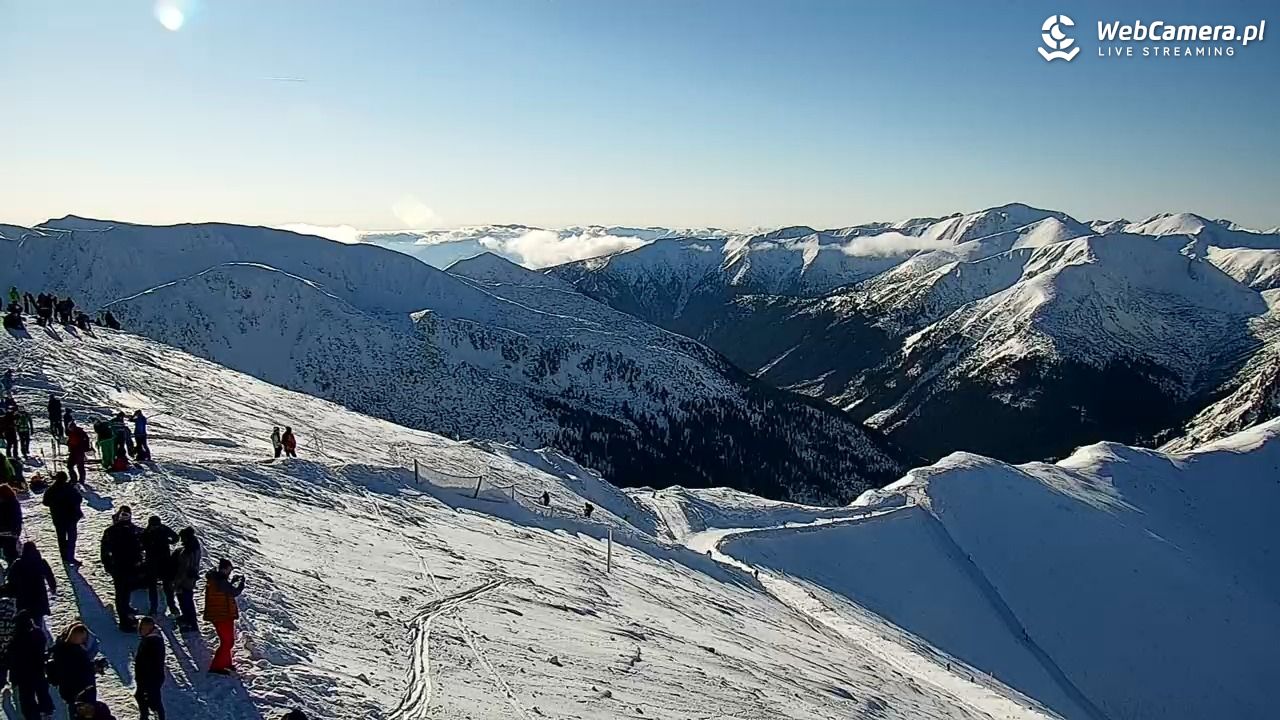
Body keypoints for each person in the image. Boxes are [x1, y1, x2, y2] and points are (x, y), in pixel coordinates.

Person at [100, 506, 145, 630]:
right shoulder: (113, 531)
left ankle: (126, 609)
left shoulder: (131, 530)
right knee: (121, 593)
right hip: (120, 567)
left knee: (126, 591)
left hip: (130, 567)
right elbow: (105, 550)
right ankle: (124, 621)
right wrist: (108, 565)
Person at [7, 611, 55, 719]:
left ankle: (33, 716)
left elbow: (11, 656)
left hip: (22, 674)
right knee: (42, 692)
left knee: (27, 698)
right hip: (38, 669)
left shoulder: (16, 637)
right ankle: (46, 712)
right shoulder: (38, 633)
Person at [49, 622, 103, 714]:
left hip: (73, 691)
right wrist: (93, 667)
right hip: (78, 691)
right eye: (82, 638)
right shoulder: (73, 652)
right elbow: (77, 671)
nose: (84, 640)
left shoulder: (63, 648)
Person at [204, 558, 245, 674]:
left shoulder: (217, 579)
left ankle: (226, 663)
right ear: (225, 569)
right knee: (227, 642)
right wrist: (241, 584)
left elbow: (225, 590)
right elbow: (233, 592)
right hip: (222, 615)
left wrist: (232, 582)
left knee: (228, 641)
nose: (230, 572)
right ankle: (216, 666)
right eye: (230, 569)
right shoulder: (220, 581)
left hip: (221, 614)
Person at [43, 471, 84, 566]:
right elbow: (79, 499)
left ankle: (64, 556)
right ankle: (70, 556)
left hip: (58, 518)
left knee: (61, 538)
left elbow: (45, 502)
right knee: (71, 538)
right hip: (71, 518)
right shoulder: (70, 488)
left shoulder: (51, 490)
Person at [7, 542, 56, 619]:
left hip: (23, 596)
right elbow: (50, 576)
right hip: (39, 595)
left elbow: (11, 579)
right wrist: (53, 587)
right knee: (38, 618)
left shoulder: (18, 563)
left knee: (24, 618)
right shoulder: (41, 562)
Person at [141, 516, 178, 617]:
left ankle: (154, 609)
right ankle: (172, 607)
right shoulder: (163, 529)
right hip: (164, 562)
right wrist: (167, 542)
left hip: (153, 562)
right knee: (167, 587)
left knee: (154, 587)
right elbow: (175, 538)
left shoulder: (147, 532)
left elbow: (141, 545)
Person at [133, 616, 166, 720]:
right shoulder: (149, 639)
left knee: (153, 700)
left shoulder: (153, 641)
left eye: (143, 628)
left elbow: (150, 662)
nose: (141, 630)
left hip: (151, 677)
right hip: (146, 676)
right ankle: (145, 716)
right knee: (141, 696)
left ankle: (154, 717)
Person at [170, 528, 201, 632]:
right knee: (189, 601)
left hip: (184, 581)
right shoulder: (196, 547)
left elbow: (182, 571)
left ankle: (190, 623)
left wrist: (176, 584)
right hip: (191, 579)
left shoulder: (186, 552)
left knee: (184, 602)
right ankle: (190, 620)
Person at [0, 485, 22, 562]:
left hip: (8, 533)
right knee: (10, 553)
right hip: (11, 532)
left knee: (10, 554)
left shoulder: (7, 504)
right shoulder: (14, 503)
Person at [0, 585, 16, 690]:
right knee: (8, 660)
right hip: (10, 638)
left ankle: (2, 680)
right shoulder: (12, 604)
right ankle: (10, 679)